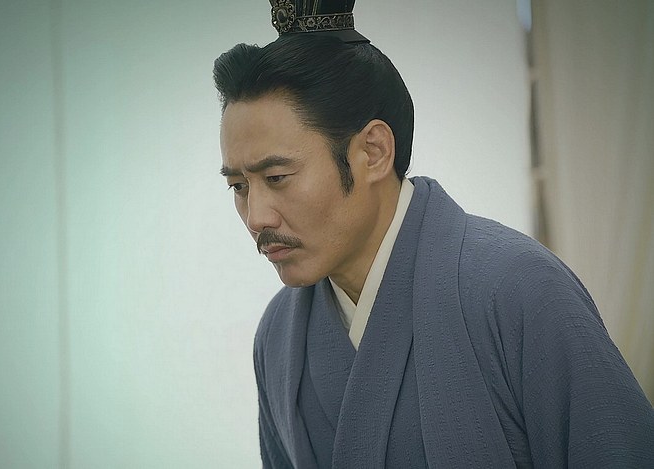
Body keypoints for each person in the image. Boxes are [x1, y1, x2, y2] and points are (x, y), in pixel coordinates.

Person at [213, 1, 654, 467]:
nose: (256, 217)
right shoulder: (279, 336)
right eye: (239, 187)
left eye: (277, 177)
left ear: (373, 152)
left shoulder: (521, 291)